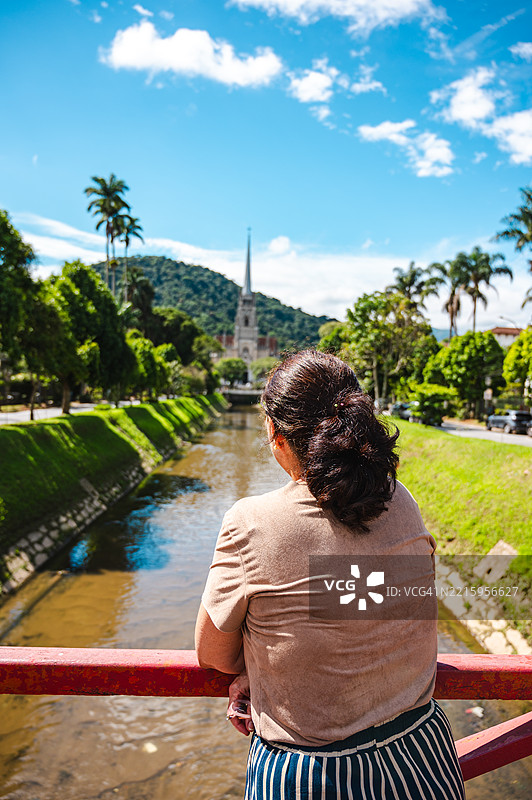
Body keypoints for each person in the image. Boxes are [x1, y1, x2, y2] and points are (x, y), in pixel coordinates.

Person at [196, 350, 465, 799]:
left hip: (308, 776)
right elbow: (372, 609)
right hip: (423, 757)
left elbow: (214, 655)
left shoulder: (250, 522)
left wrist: (260, 670)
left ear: (277, 435)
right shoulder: (401, 500)